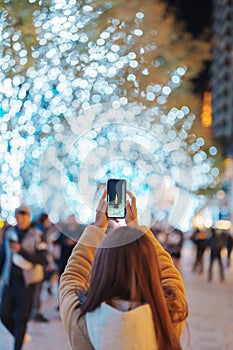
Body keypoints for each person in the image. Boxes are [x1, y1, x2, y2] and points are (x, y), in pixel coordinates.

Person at [59, 190, 188, 350]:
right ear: (150, 266)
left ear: (101, 266)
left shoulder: (81, 318)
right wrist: (138, 231)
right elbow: (169, 274)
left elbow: (73, 275)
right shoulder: (170, 313)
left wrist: (98, 227)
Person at [0, 205, 47, 350]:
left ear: (28, 216)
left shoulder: (37, 234)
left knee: (21, 319)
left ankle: (18, 346)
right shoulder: (10, 233)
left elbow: (42, 259)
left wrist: (21, 251)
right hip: (9, 282)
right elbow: (3, 256)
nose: (20, 220)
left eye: (23, 217)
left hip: (28, 284)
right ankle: (20, 336)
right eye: (17, 217)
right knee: (4, 315)